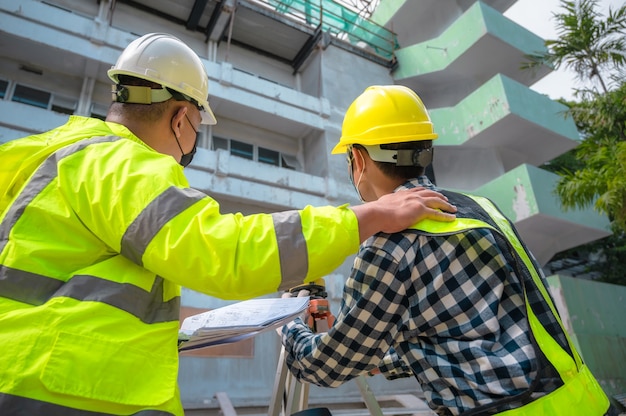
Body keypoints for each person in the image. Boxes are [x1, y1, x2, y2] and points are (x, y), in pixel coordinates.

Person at [0, 36, 457, 415]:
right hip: (61, 389)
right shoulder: (122, 164)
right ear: (182, 117)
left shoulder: (37, 158)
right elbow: (226, 253)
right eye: (197, 126)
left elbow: (68, 289)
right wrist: (369, 216)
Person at [280, 85, 614, 416]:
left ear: (359, 159)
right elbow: (474, 329)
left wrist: (290, 325)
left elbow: (327, 368)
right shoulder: (483, 208)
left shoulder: (389, 243)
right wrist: (372, 353)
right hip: (589, 404)